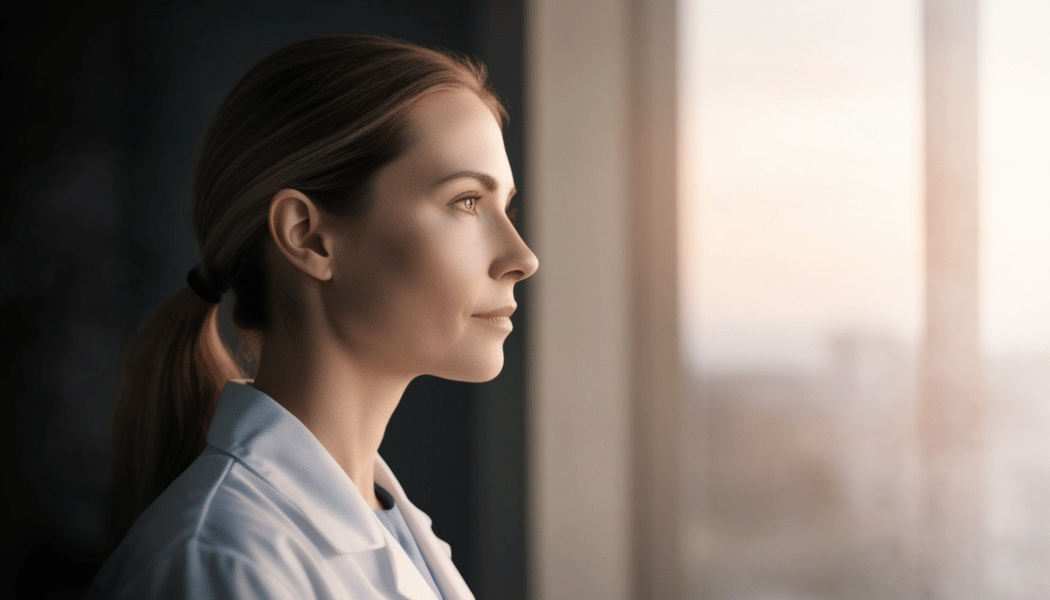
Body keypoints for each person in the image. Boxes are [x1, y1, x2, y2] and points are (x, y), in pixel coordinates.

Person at [85, 34, 538, 599]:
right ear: (309, 237)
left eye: (506, 206)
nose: (523, 257)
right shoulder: (220, 566)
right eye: (467, 201)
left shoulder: (393, 530)